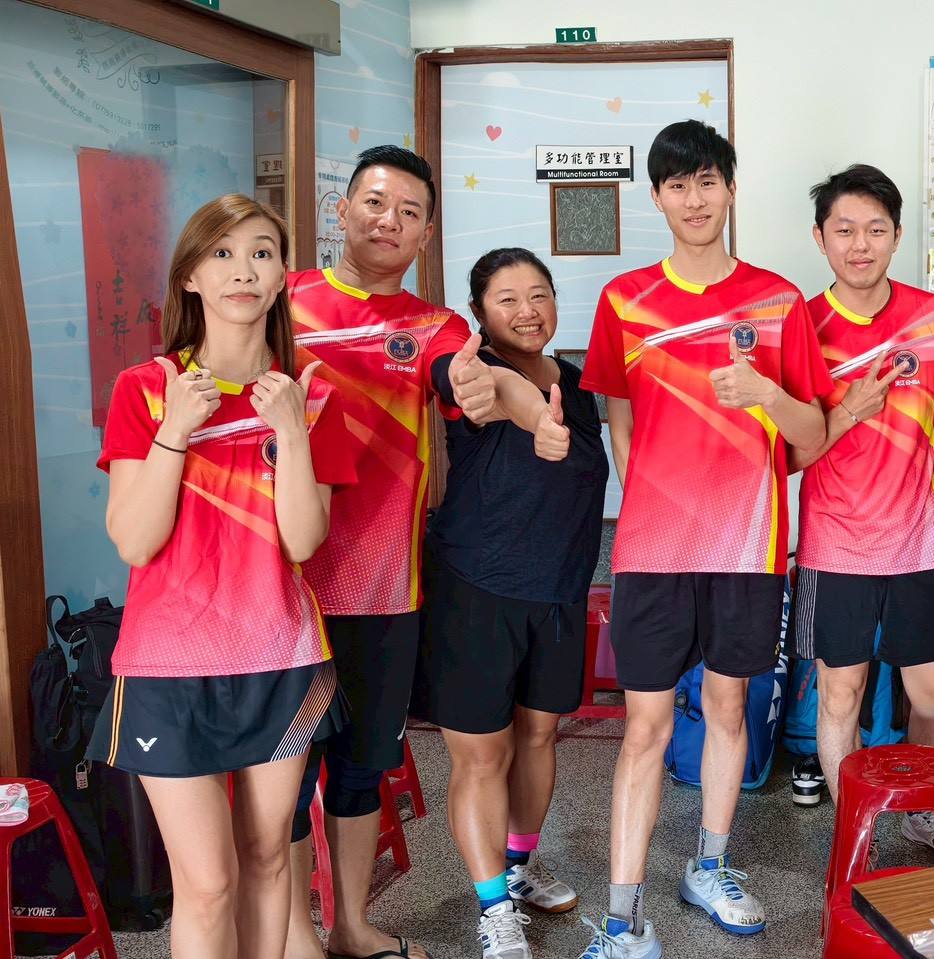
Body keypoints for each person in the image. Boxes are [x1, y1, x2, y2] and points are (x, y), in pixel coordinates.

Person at [575, 119, 832, 959]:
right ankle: (622, 916)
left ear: (730, 188)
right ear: (657, 196)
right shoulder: (625, 300)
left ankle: (709, 865)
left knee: (728, 709)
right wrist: (650, 494)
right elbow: (617, 413)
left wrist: (765, 393)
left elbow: (812, 436)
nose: (694, 199)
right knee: (644, 727)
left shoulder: (778, 301)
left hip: (747, 547)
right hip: (653, 548)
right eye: (678, 185)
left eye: (707, 181)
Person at [283, 144, 538, 959]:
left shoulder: (436, 329)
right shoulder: (285, 303)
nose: (388, 220)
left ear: (426, 233)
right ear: (342, 209)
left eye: (409, 211)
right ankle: (292, 934)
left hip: (384, 589)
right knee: (285, 776)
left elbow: (467, 378)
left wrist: (492, 391)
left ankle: (351, 925)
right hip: (281, 586)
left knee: (361, 770)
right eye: (374, 202)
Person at [90, 193, 358, 959]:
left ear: (282, 278)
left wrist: (291, 432)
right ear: (190, 277)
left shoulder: (313, 394)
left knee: (270, 857)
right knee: (207, 882)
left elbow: (303, 540)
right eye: (222, 253)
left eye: (262, 253)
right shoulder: (146, 389)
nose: (243, 269)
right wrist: (176, 428)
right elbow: (135, 541)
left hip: (282, 658)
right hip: (167, 666)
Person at [412, 248, 609, 958]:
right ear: (479, 314)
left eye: (539, 294)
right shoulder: (477, 378)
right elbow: (495, 391)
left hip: (557, 594)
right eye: (507, 299)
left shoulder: (578, 385)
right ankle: (493, 906)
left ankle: (519, 867)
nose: (527, 311)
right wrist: (534, 423)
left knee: (538, 738)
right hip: (476, 593)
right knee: (482, 756)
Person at [787, 164, 934, 855]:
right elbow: (788, 454)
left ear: (897, 236)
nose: (859, 244)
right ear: (820, 237)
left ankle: (926, 811)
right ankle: (855, 827)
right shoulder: (802, 326)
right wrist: (848, 412)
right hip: (835, 546)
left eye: (874, 229)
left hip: (923, 544)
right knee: (839, 697)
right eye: (844, 230)